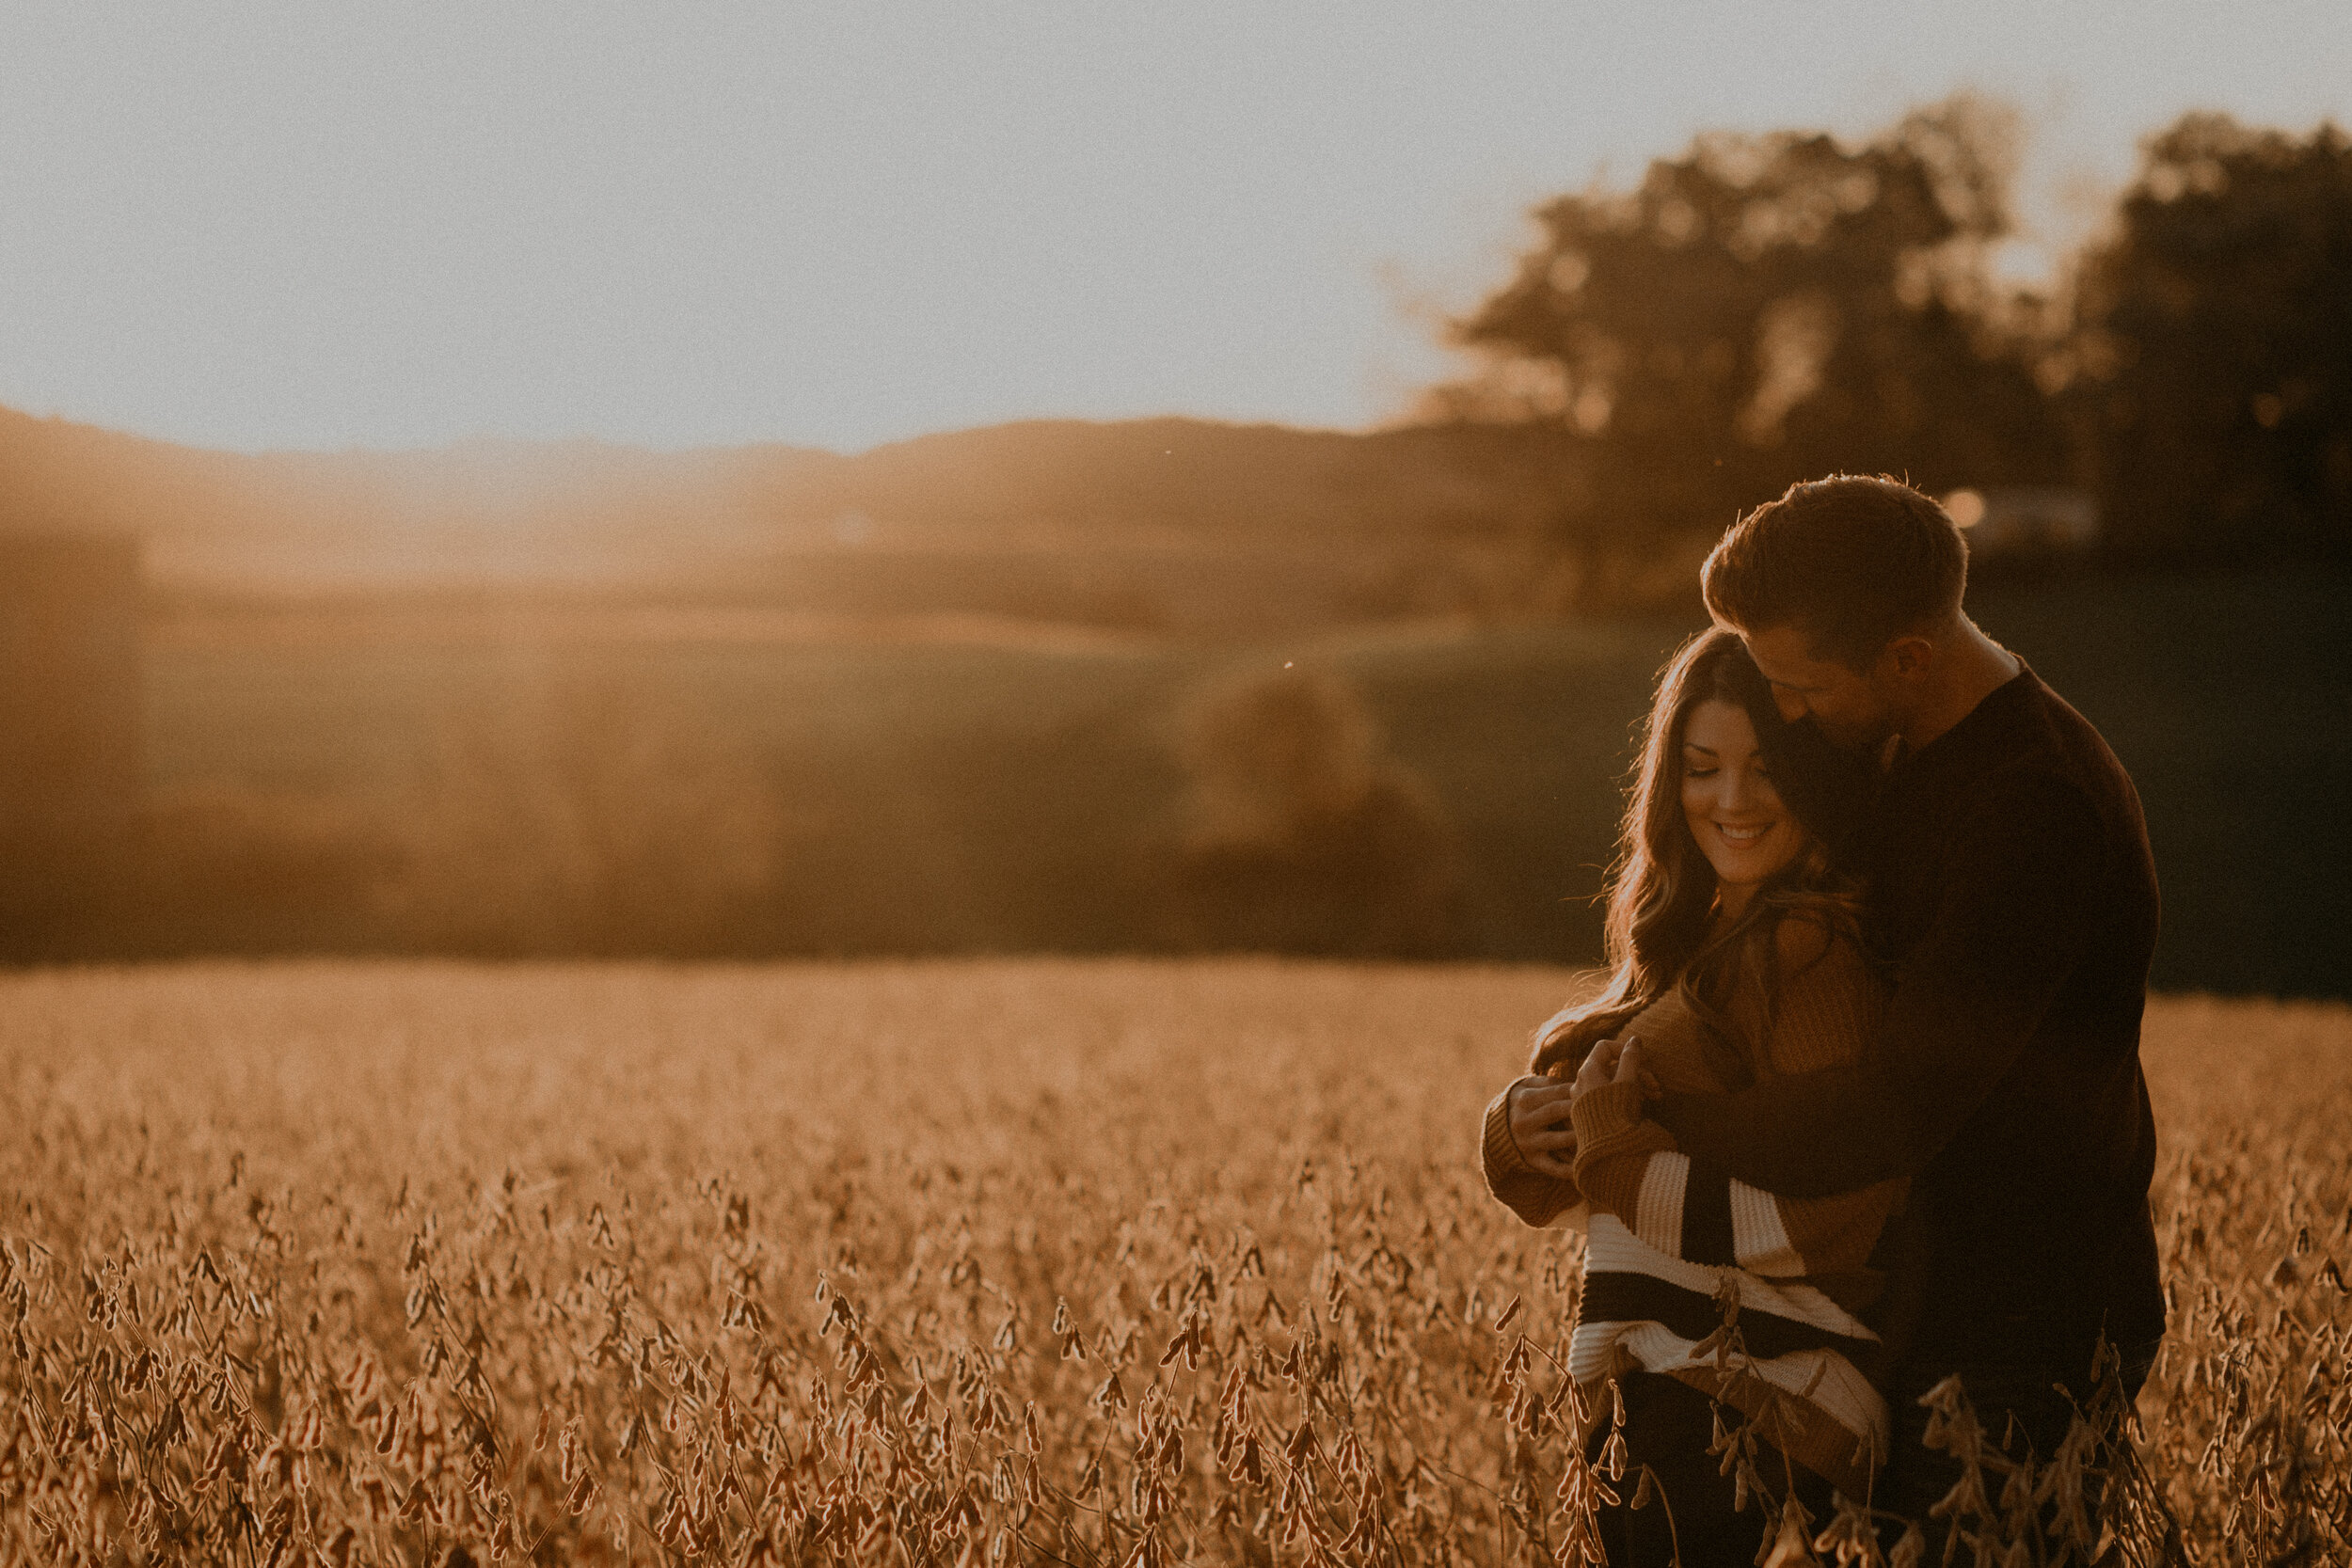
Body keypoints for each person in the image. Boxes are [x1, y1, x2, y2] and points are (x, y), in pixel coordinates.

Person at [1646, 476, 2165, 1531]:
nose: (1784, 710)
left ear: (1911, 659)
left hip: (2025, 1324)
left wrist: (1656, 1122)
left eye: (1803, 686)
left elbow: (1897, 1105)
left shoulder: (2032, 806)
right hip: (1918, 1300)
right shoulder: (1905, 750)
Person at [1481, 628, 1896, 1562]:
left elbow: (1839, 1216)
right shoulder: (1691, 946)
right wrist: (1516, 1133)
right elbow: (1568, 1180)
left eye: (1766, 768)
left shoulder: (1811, 956)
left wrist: (1619, 1156)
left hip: (1749, 1413)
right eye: (1703, 768)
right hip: (1661, 1405)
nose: (1733, 800)